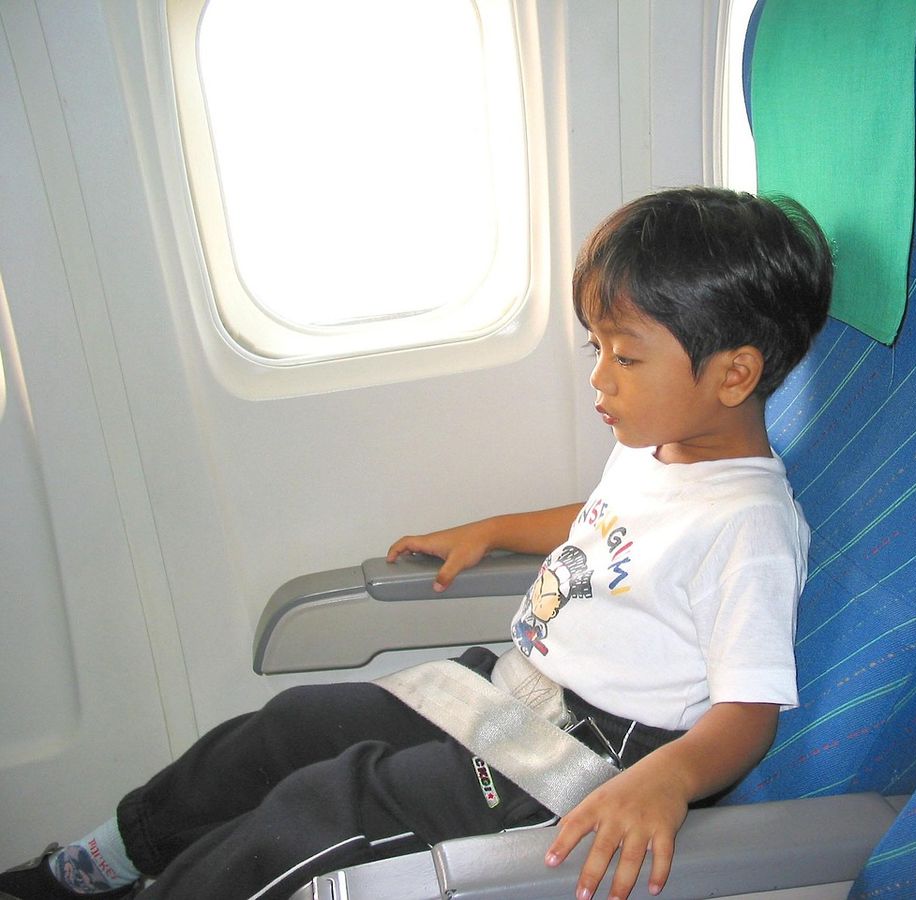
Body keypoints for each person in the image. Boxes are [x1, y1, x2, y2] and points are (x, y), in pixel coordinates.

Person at [0, 186, 832, 900]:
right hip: (513, 689)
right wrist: (495, 531)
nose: (598, 379)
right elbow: (616, 522)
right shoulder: (661, 446)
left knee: (327, 816)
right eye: (596, 349)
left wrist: (670, 782)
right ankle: (95, 865)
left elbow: (748, 713)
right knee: (290, 729)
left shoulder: (750, 528)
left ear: (732, 374)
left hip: (588, 758)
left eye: (625, 356)